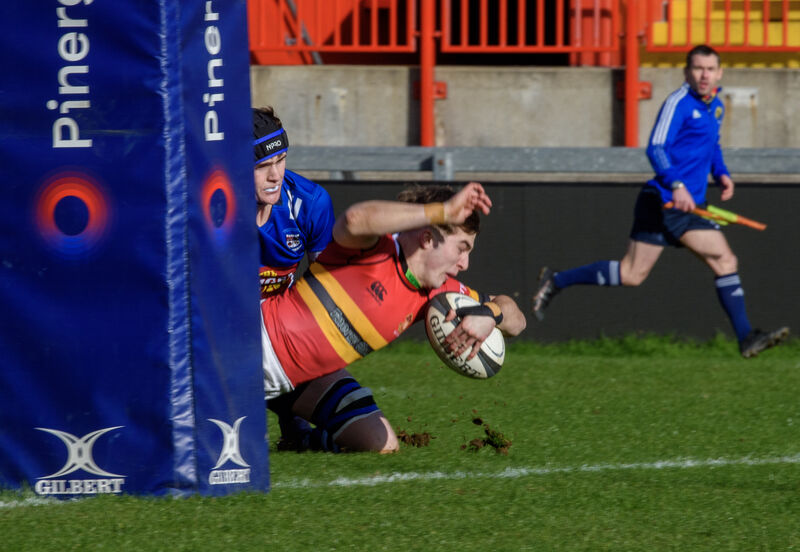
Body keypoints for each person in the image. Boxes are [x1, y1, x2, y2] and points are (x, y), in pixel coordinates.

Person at [531, 44, 788, 358]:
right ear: (686, 72)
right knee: (677, 267)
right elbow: (656, 148)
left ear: (719, 73)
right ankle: (557, 280)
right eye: (698, 68)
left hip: (688, 206)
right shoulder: (678, 103)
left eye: (710, 69)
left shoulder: (715, 106)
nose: (704, 75)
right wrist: (676, 184)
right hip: (664, 202)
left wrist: (721, 173)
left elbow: (712, 145)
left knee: (678, 268)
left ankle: (746, 337)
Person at [261, 182, 526, 452]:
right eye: (461, 248)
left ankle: (297, 441)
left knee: (382, 443)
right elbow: (355, 219)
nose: (465, 263)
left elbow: (517, 321)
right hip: (250, 350)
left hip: (299, 379)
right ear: (427, 238)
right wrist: (443, 211)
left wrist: (490, 314)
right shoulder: (373, 248)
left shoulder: (438, 293)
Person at [253, 106, 336, 448]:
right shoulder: (206, 205)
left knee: (376, 438)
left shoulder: (310, 203)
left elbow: (326, 292)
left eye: (281, 160)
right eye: (261, 166)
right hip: (219, 341)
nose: (275, 175)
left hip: (283, 343)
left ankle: (294, 421)